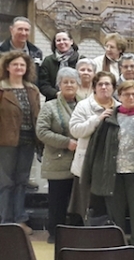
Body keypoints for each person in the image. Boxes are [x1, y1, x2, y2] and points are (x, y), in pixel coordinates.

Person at [82, 81, 134, 253]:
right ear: (119, 96)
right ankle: (118, 245)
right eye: (126, 94)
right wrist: (90, 174)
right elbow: (96, 148)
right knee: (115, 212)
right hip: (112, 173)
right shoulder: (108, 119)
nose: (130, 97)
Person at [69, 71, 119, 225]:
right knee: (88, 205)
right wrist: (96, 120)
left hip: (110, 165)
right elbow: (75, 130)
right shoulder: (83, 106)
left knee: (108, 206)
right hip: (88, 164)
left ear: (113, 88)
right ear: (94, 87)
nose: (104, 87)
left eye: (107, 84)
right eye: (100, 84)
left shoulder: (120, 107)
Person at [36, 67, 79, 242]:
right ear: (58, 85)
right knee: (57, 202)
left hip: (79, 162)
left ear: (78, 85)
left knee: (77, 200)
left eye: (72, 82)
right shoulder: (50, 106)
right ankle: (55, 233)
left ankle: (76, 232)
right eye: (65, 82)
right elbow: (41, 131)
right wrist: (66, 142)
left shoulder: (85, 104)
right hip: (58, 161)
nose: (69, 85)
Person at [0, 52, 40, 234]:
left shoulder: (32, 89)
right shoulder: (1, 89)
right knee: (6, 182)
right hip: (5, 141)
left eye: (22, 65)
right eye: (15, 65)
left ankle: (19, 220)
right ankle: (5, 221)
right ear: (7, 67)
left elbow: (37, 115)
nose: (18, 68)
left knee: (22, 181)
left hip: (28, 140)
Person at [39, 31, 81, 100]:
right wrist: (57, 94)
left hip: (76, 100)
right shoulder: (48, 61)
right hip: (54, 100)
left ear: (71, 41)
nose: (61, 42)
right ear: (55, 43)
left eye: (64, 39)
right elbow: (43, 84)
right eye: (58, 40)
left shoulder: (80, 60)